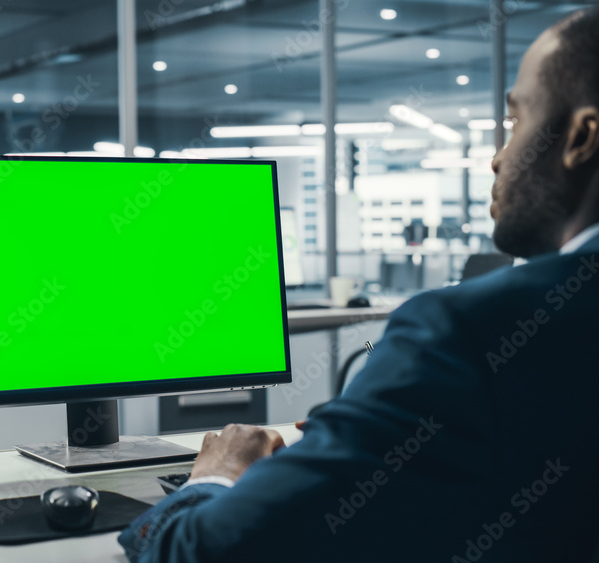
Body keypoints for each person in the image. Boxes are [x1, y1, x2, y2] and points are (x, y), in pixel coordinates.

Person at [119, 8, 599, 562]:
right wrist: (375, 429)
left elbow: (199, 551)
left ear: (582, 138)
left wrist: (218, 477)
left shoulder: (463, 333)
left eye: (516, 125)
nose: (498, 158)